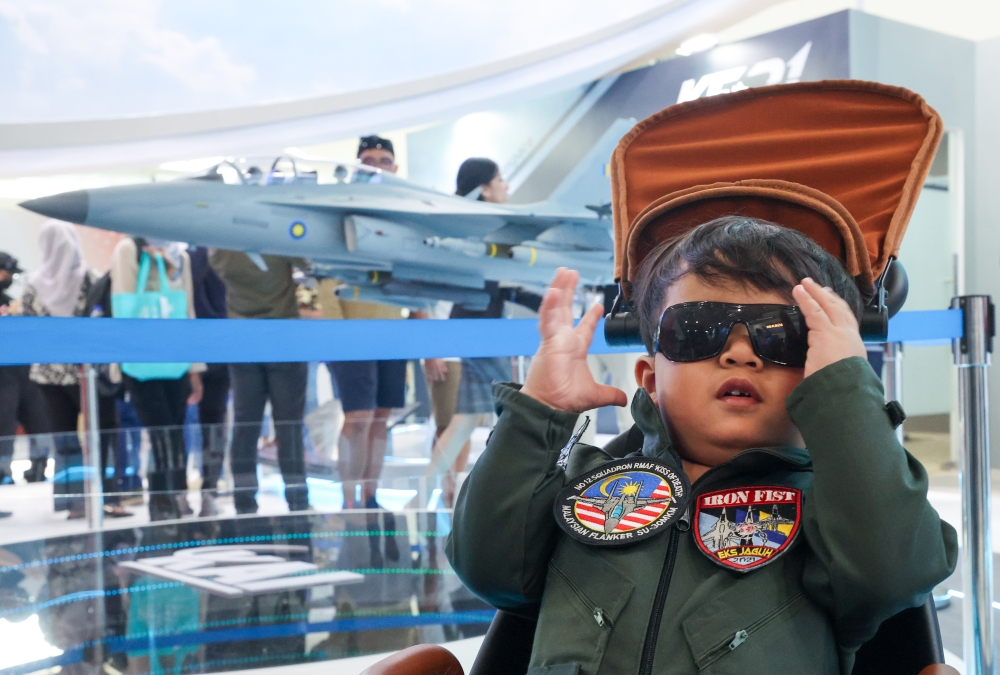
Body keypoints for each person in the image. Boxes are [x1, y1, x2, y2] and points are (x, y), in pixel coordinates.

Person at [448, 217, 958, 673]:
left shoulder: (839, 514)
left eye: (782, 338)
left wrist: (846, 392)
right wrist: (537, 414)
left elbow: (893, 573)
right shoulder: (582, 482)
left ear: (816, 376)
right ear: (649, 377)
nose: (740, 352)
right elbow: (489, 567)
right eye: (697, 330)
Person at [326, 136, 407, 532]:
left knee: (380, 417)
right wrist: (334, 331)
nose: (377, 165)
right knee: (356, 416)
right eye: (369, 160)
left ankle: (371, 496)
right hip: (350, 330)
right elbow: (324, 271)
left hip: (392, 328)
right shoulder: (343, 207)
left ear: (395, 168)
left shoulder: (402, 212)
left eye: (384, 160)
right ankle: (347, 499)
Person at [22, 221, 128, 518]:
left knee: (65, 438)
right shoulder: (89, 278)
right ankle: (108, 497)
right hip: (86, 373)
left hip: (49, 374)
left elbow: (30, 329)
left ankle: (75, 502)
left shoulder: (35, 284)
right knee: (101, 434)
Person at [209, 249, 310, 514]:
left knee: (245, 424)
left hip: (242, 336)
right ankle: (297, 498)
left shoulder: (221, 246)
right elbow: (309, 261)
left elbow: (216, 263)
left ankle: (244, 499)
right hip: (283, 335)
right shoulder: (275, 239)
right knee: (289, 426)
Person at [111, 237, 204, 520]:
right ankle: (163, 503)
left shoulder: (182, 257)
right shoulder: (130, 249)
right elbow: (123, 303)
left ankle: (176, 498)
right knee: (161, 431)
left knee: (175, 432)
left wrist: (195, 368)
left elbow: (187, 311)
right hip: (141, 361)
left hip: (175, 359)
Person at [0, 251, 52, 503]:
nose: (9, 277)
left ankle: (39, 470)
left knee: (39, 421)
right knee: (4, 428)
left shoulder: (13, 304)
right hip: (3, 377)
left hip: (24, 372)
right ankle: (3, 476)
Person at [188, 246, 230, 517]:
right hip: (223, 349)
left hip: (194, 350)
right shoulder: (233, 255)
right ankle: (210, 489)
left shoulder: (191, 258)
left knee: (185, 425)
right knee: (214, 424)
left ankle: (178, 493)